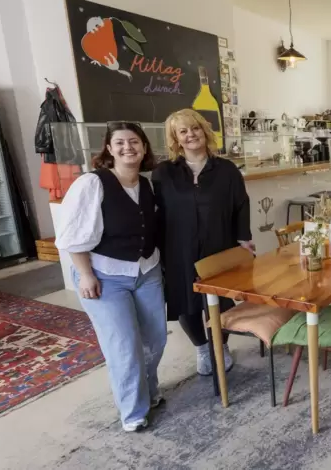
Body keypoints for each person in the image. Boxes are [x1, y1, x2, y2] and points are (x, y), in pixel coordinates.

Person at [56, 122, 167, 433]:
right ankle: (133, 412)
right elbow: (72, 236)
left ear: (145, 148)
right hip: (104, 275)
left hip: (147, 270)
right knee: (124, 345)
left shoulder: (147, 185)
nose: (128, 147)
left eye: (134, 142)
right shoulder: (92, 184)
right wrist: (86, 275)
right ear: (108, 148)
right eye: (119, 142)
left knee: (155, 338)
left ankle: (149, 391)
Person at [152, 109, 253, 377]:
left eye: (194, 128)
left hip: (220, 243)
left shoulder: (226, 170)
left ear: (204, 131)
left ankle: (221, 345)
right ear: (175, 138)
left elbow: (241, 205)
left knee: (222, 300)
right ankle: (201, 347)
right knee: (186, 300)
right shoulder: (164, 173)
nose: (190, 135)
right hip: (178, 247)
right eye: (183, 131)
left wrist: (244, 238)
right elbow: (157, 211)